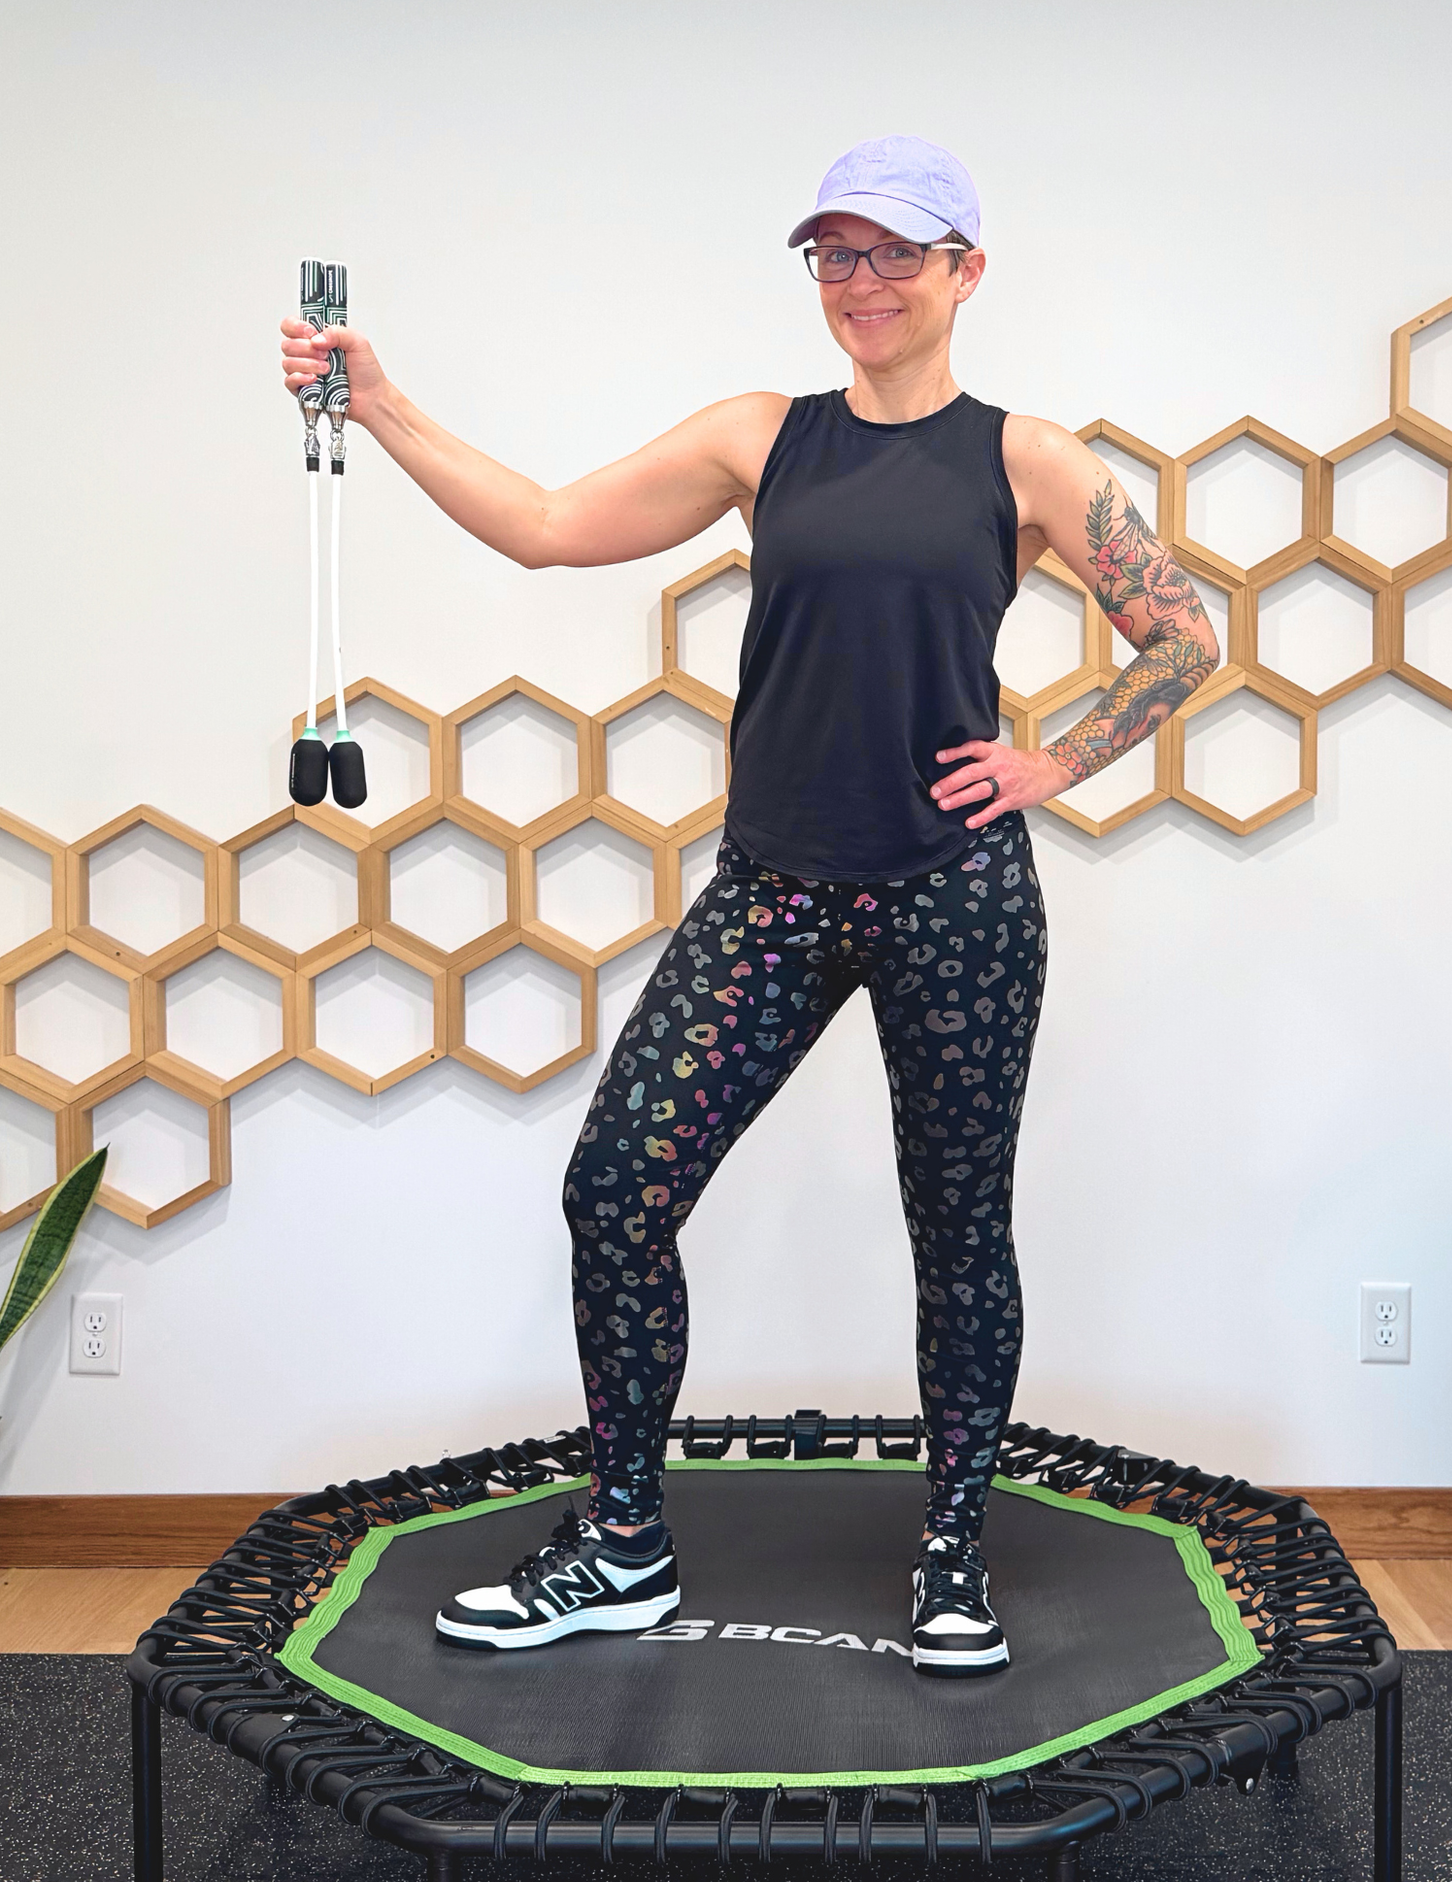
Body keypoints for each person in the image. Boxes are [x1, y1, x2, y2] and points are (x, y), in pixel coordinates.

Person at [281, 134, 1219, 1678]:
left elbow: (1185, 633)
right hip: (775, 885)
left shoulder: (1025, 457)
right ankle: (629, 1542)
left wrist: (1056, 759)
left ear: (963, 271)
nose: (860, 283)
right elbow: (538, 521)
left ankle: (952, 1552)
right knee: (617, 1189)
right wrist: (375, 397)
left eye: (894, 254)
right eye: (834, 255)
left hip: (957, 896)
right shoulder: (757, 438)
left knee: (959, 1229)